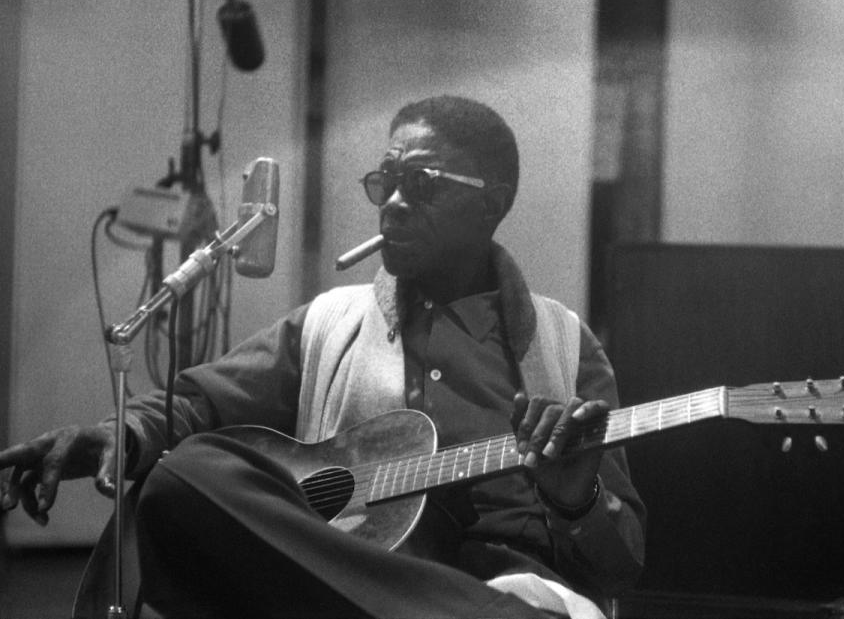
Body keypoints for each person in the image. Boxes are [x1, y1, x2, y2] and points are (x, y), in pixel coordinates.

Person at [0, 96, 645, 619]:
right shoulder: (331, 322)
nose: (392, 202)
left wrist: (574, 498)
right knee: (186, 474)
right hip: (335, 587)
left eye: (419, 183)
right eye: (386, 182)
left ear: (492, 203)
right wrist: (119, 432)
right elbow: (198, 402)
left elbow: (620, 563)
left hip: (511, 588)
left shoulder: (564, 343)